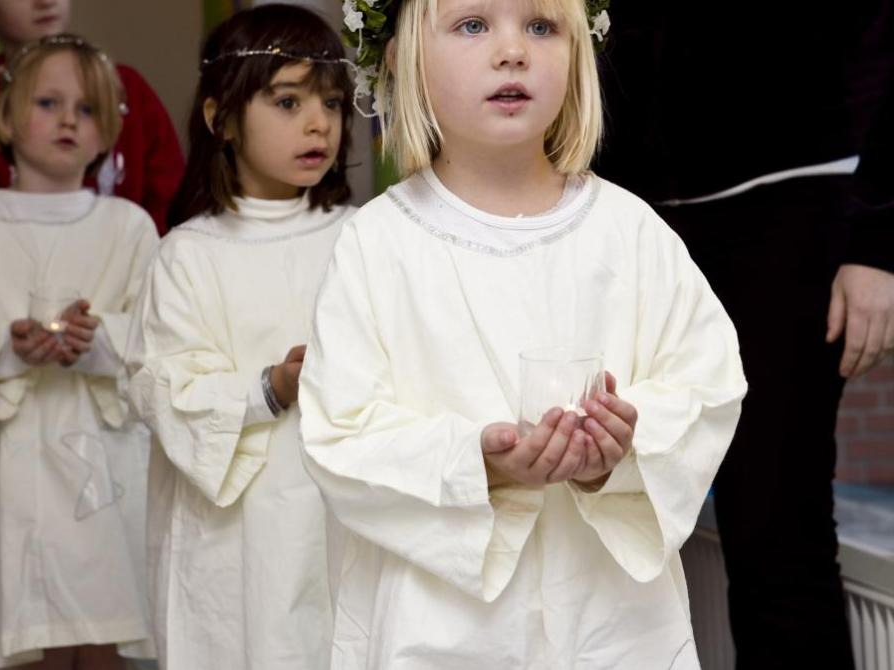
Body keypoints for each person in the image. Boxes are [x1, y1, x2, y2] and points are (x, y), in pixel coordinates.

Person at [297, 0, 747, 668]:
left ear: (579, 54)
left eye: (541, 26)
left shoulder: (630, 233)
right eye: (473, 25)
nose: (513, 51)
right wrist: (476, 460)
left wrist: (620, 450)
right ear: (402, 57)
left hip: (614, 620)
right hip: (439, 627)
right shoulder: (377, 244)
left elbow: (707, 382)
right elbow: (341, 431)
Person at [594, 3, 894, 668]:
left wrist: (880, 238)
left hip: (789, 203)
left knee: (774, 531)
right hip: (621, 210)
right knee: (602, 515)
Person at [124, 5, 355, 669]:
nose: (319, 124)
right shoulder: (188, 256)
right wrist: (270, 387)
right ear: (220, 118)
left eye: (332, 104)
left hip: (338, 513)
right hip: (235, 532)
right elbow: (161, 387)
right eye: (288, 102)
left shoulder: (362, 237)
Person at [0, 33, 157, 670]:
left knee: (101, 622)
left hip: (101, 467)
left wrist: (97, 344)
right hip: (11, 464)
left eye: (87, 108)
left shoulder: (127, 228)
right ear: (6, 118)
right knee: (24, 621)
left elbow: (155, 344)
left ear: (109, 131)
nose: (68, 119)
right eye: (48, 103)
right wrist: (13, 351)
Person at [0, 0, 185, 233]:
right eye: (47, 103)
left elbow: (172, 209)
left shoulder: (128, 89)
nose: (46, 1)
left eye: (88, 109)